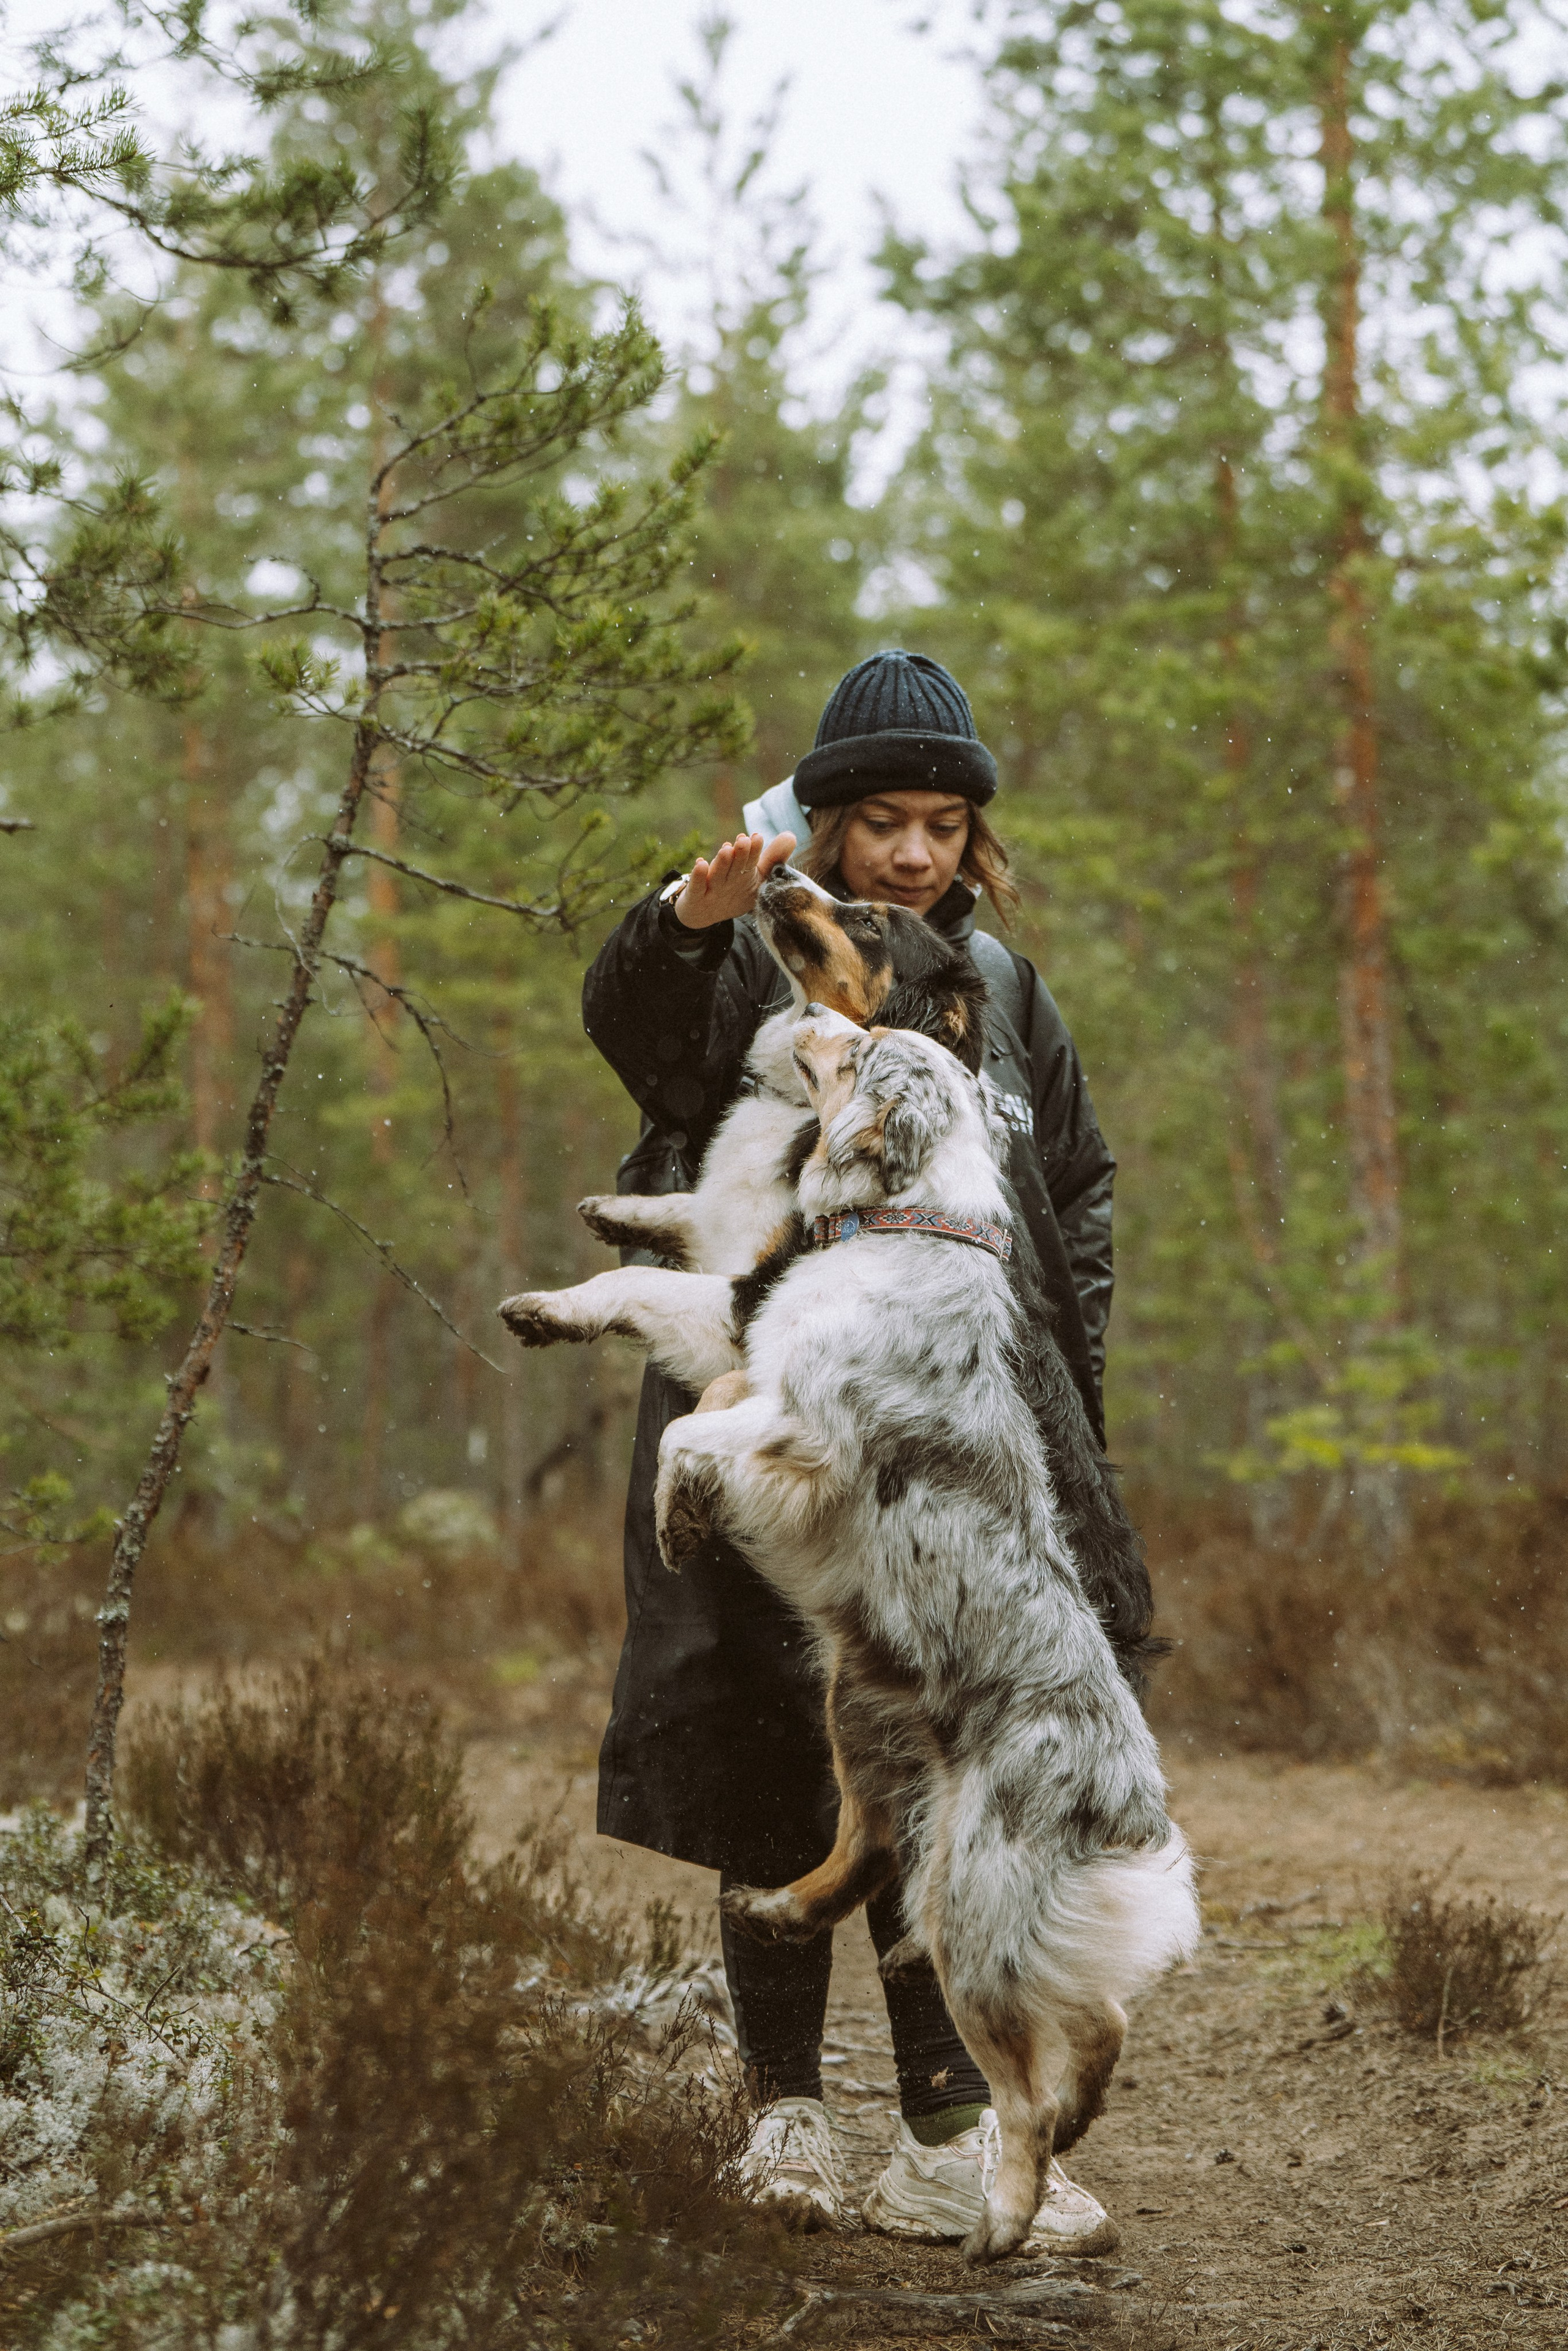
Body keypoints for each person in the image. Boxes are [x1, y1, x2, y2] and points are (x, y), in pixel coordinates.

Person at [582, 650, 1121, 2251]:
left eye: (943, 824)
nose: (914, 853)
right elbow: (642, 1034)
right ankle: (784, 2115)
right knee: (767, 1743)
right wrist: (684, 924)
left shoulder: (1006, 994)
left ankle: (945, 2128)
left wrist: (1063, 1387)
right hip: (770, 1426)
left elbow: (1071, 1193)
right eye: (883, 819)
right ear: (825, 822)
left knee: (935, 1766)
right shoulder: (754, 957)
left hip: (946, 1447)